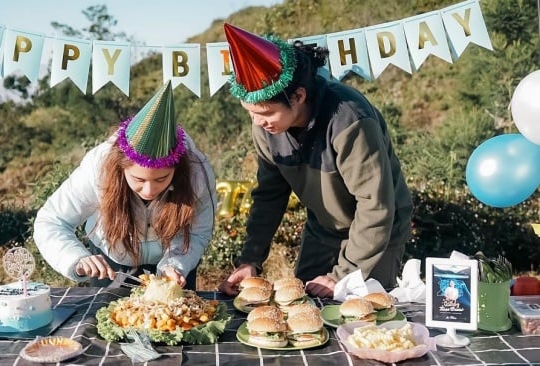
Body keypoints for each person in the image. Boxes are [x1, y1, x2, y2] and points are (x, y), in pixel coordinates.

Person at [218, 23, 413, 298]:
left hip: (378, 232)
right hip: (323, 229)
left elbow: (375, 205)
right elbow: (269, 197)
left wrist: (343, 276)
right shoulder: (264, 127)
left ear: (298, 96)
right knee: (305, 305)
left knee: (362, 315)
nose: (259, 123)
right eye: (250, 114)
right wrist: (250, 259)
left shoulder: (350, 120)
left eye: (265, 113)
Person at [34, 81, 217, 290]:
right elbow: (51, 221)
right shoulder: (98, 167)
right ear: (121, 167)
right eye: (139, 180)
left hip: (175, 265)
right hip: (113, 262)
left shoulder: (197, 172)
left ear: (177, 170)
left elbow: (198, 232)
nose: (149, 191)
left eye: (161, 179)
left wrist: (175, 265)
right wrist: (77, 258)